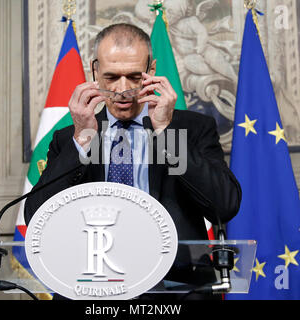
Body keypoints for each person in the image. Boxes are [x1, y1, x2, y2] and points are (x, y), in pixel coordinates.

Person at [24, 23, 241, 299]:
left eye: (133, 76)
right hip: (92, 286)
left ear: (151, 72)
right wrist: (82, 139)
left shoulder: (193, 128)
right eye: (112, 77)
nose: (123, 89)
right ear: (95, 72)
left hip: (174, 288)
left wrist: (166, 132)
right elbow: (36, 216)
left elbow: (224, 205)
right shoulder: (71, 137)